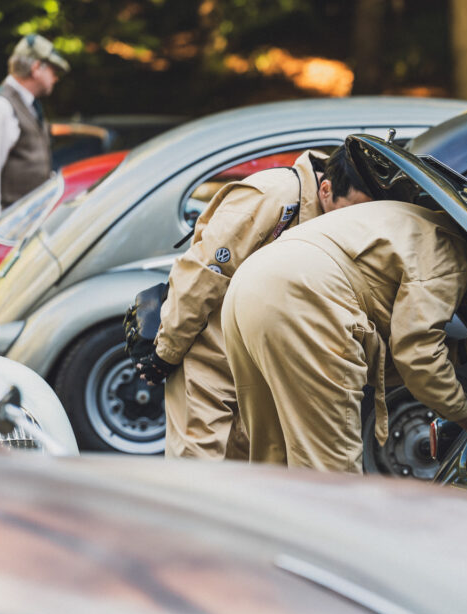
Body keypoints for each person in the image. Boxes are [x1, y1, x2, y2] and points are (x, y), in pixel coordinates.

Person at [221, 198, 467, 471]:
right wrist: (464, 414)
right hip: (305, 297)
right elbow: (417, 354)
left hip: (247, 285)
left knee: (273, 460)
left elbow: (397, 346)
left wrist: (462, 351)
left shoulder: (415, 223)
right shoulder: (451, 251)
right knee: (332, 472)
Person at [138, 146, 373, 460]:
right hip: (208, 357)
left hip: (260, 369)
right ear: (326, 189)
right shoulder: (271, 196)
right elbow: (203, 273)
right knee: (194, 476)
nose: (353, 225)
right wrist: (166, 353)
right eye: (349, 212)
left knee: (247, 481)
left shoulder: (338, 222)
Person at [0, 34, 69, 226]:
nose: (56, 78)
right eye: (53, 70)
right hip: (8, 229)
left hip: (24, 226)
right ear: (36, 68)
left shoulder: (29, 104)